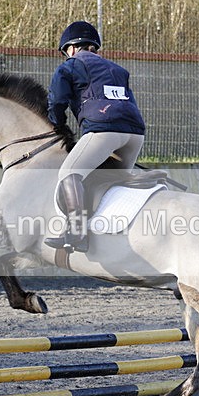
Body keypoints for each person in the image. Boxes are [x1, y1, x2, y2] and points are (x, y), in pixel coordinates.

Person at [44, 21, 146, 253]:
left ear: (71, 48)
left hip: (104, 132)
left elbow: (57, 101)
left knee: (69, 174)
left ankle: (77, 233)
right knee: (105, 180)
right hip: (135, 135)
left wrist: (57, 124)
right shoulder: (118, 69)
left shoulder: (70, 66)